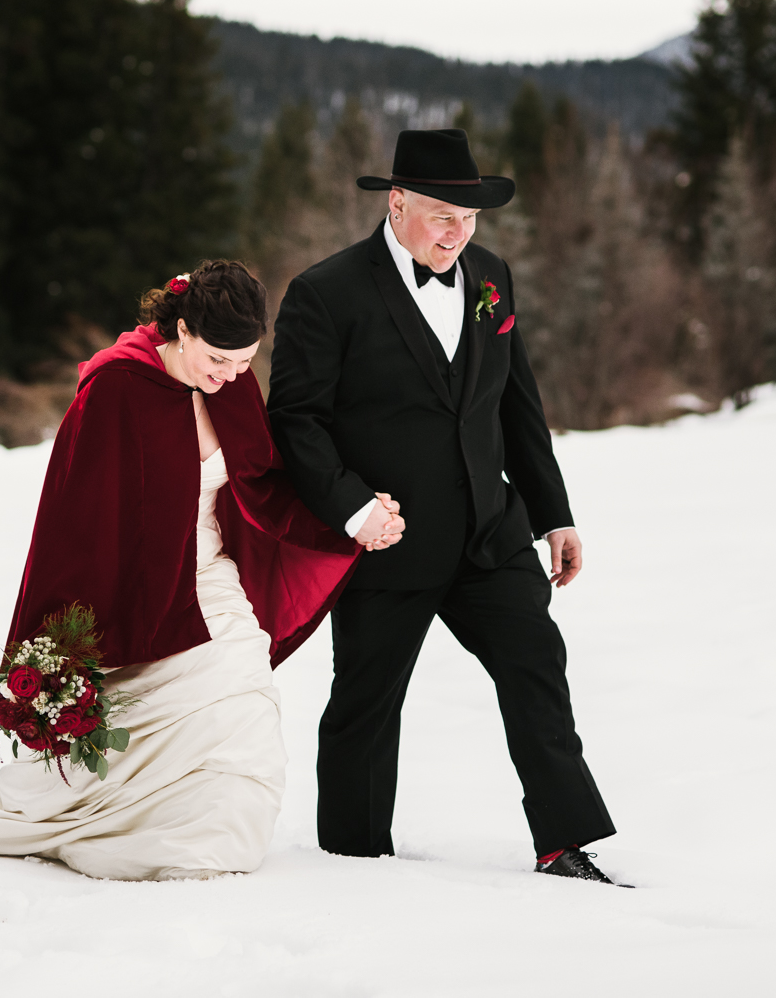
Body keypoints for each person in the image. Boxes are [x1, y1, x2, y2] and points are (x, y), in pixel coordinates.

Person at [0, 261, 372, 880]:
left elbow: (263, 484)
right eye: (219, 359)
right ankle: (107, 824)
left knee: (243, 707)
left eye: (245, 362)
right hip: (134, 592)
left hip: (213, 579)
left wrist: (347, 523)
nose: (233, 375)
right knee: (118, 746)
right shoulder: (115, 391)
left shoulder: (229, 383)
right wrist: (57, 647)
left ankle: (212, 833)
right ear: (181, 331)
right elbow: (70, 527)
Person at [267, 128, 625, 885]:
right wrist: (353, 509)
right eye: (440, 215)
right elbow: (295, 421)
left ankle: (563, 843)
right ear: (396, 204)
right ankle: (354, 860)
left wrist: (552, 514)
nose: (457, 233)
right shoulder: (324, 294)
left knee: (536, 667)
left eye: (469, 219)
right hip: (386, 541)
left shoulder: (491, 278)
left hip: (491, 538)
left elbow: (516, 406)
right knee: (365, 705)